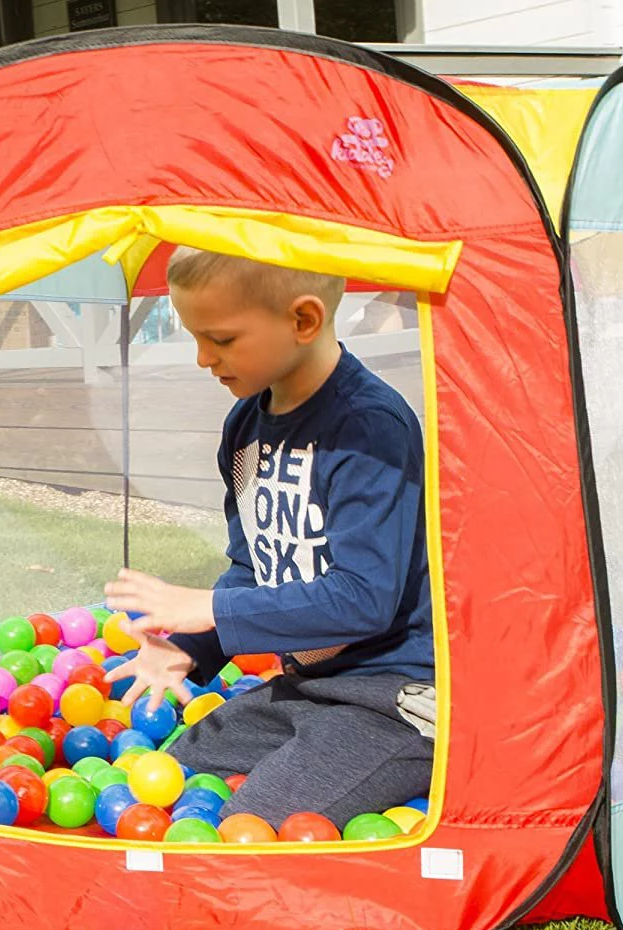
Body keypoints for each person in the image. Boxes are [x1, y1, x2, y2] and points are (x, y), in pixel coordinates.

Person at [105, 247, 436, 830]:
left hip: (394, 700)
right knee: (172, 777)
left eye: (223, 340)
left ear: (303, 321)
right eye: (196, 338)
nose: (204, 358)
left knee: (250, 825)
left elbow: (365, 598)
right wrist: (192, 649)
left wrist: (207, 608)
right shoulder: (245, 426)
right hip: (308, 688)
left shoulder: (370, 428)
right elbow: (251, 565)